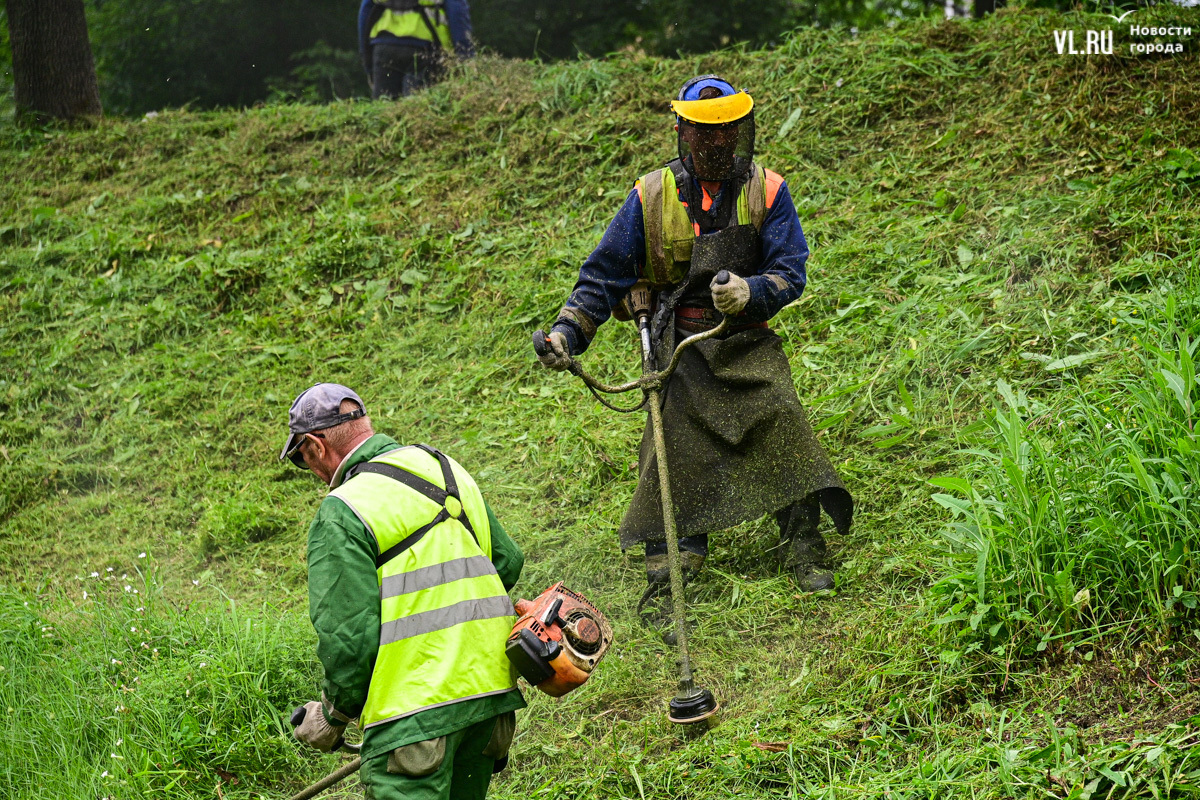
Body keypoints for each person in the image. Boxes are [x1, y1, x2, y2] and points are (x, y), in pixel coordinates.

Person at [535, 75, 854, 608]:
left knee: (780, 413)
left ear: (740, 133)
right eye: (705, 135)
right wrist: (568, 332)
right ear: (684, 134)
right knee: (669, 439)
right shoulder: (650, 196)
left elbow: (790, 271)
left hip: (746, 340)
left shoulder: (767, 189)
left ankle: (802, 539)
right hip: (678, 342)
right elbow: (603, 276)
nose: (716, 144)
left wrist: (751, 291)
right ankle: (674, 559)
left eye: (726, 133)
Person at [282, 383, 523, 799]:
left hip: (412, 719)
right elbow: (505, 562)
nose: (313, 474)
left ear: (315, 446)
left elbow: (350, 640)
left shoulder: (343, 510)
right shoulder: (445, 467)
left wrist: (333, 716)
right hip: (490, 703)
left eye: (303, 461)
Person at [358, 0, 474, 99]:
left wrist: (367, 62)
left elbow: (365, 12)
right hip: (425, 50)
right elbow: (457, 14)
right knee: (417, 110)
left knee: (383, 109)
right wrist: (465, 58)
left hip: (385, 48)